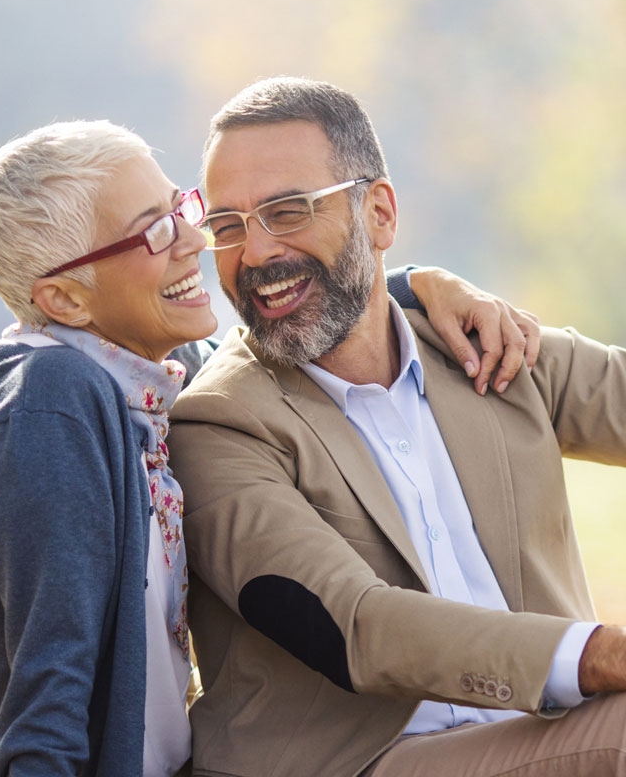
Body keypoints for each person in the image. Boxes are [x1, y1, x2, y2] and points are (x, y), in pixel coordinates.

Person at [0, 119, 531, 776]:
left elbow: (270, 340)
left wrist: (412, 286)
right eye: (155, 230)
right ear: (64, 298)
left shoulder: (149, 380)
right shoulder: (50, 407)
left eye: (181, 208)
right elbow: (45, 704)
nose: (194, 240)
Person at [167, 76, 626, 776]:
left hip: (541, 732)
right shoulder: (217, 423)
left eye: (287, 212)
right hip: (360, 763)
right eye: (227, 226)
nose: (254, 254)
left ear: (378, 214)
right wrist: (596, 655)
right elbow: (359, 626)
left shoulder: (485, 343)